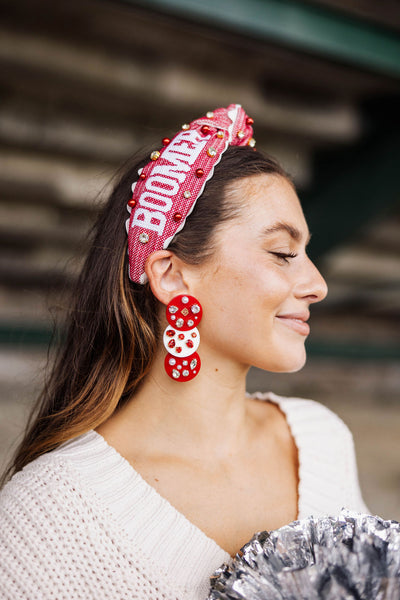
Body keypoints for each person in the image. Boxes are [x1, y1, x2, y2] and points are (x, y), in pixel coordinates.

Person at [0, 105, 368, 599]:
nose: (317, 285)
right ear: (171, 274)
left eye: (307, 255)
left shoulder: (323, 442)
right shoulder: (45, 520)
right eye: (283, 253)